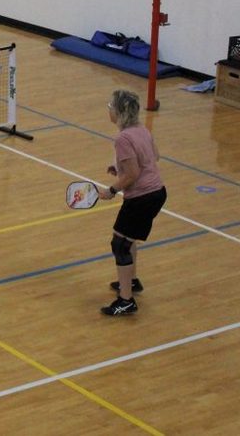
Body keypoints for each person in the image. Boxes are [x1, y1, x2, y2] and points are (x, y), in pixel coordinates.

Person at [97, 90, 167, 316]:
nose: (108, 109)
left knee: (119, 244)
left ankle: (126, 300)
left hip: (142, 197)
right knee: (128, 238)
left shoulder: (122, 139)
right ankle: (132, 281)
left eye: (110, 105)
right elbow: (154, 156)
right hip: (157, 192)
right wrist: (120, 168)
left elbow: (133, 173)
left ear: (118, 112)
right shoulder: (142, 130)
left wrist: (112, 189)